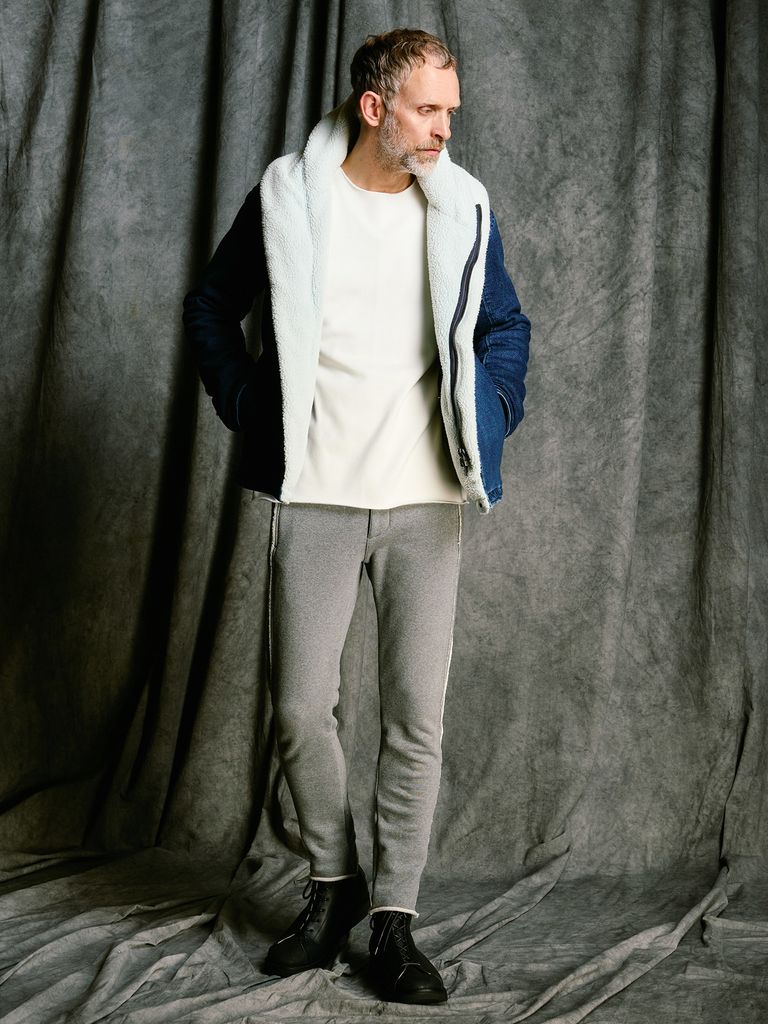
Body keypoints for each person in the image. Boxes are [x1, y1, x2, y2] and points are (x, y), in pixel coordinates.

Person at [183, 27, 530, 1005]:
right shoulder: (291, 199)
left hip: (426, 500)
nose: (445, 129)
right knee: (301, 709)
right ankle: (334, 886)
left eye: (451, 110)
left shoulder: (461, 206)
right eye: (429, 110)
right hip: (318, 494)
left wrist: (493, 409)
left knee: (416, 715)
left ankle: (393, 923)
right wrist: (246, 403)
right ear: (376, 107)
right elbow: (211, 305)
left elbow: (505, 325)